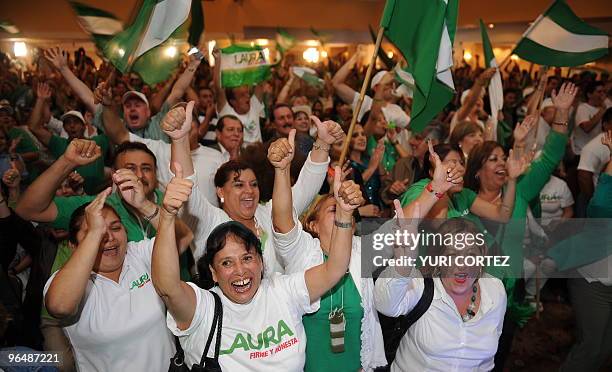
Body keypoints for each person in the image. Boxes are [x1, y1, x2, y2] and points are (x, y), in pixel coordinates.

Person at [151, 160, 363, 371]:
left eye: (247, 258)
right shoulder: (203, 308)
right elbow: (168, 288)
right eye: (227, 263)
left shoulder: (282, 291)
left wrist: (344, 214)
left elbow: (335, 269)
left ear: (261, 263)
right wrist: (168, 216)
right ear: (213, 273)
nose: (240, 270)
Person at [43, 176, 193, 371]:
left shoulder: (137, 254)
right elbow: (59, 306)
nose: (110, 238)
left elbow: (182, 238)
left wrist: (144, 205)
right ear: (74, 246)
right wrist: (96, 233)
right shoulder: (67, 281)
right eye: (95, 233)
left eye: (115, 228)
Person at [269, 129, 387, 371]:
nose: (343, 212)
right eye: (334, 209)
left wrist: (435, 188)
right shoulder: (301, 251)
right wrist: (282, 171)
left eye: (348, 212)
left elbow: (405, 229)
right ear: (312, 224)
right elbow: (282, 219)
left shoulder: (361, 251)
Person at [171, 114, 344, 274]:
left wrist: (323, 143)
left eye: (254, 184)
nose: (249, 191)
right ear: (220, 191)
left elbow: (306, 186)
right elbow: (187, 187)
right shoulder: (210, 220)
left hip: (280, 306)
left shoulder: (270, 213)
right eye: (239, 185)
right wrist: (179, 140)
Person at [375, 178, 506, 370]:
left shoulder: (495, 291)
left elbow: (486, 363)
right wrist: (403, 264)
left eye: (470, 254)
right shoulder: (422, 287)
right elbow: (385, 304)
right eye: (452, 255)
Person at [16, 139, 164, 242]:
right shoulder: (96, 208)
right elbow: (27, 209)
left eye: (146, 168)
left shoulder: (170, 201)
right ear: (114, 175)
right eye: (130, 168)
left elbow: (182, 240)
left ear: (155, 174)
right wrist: (67, 162)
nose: (139, 175)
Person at [560, 130, 612, 372]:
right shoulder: (605, 197)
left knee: (605, 348)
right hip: (593, 280)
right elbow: (600, 207)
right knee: (591, 346)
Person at [28, 82, 109, 194]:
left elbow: (113, 127)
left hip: (98, 198)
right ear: (64, 128)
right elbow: (33, 127)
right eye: (67, 123)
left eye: (76, 122)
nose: (72, 125)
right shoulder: (59, 144)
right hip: (69, 199)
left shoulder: (98, 141)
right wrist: (41, 100)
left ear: (84, 125)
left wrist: (105, 101)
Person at [212, 48, 266, 145]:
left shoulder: (254, 105)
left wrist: (260, 57)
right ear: (233, 101)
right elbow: (218, 88)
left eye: (247, 93)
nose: (247, 97)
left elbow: (260, 83)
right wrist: (218, 60)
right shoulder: (226, 111)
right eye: (242, 95)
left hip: (257, 156)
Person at [577, 107, 612, 202]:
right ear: (606, 125)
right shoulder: (593, 147)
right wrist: (594, 200)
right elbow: (584, 177)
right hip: (602, 201)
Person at [572, 81, 610, 156]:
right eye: (599, 92)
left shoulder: (605, 108)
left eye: (604, 92)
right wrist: (602, 110)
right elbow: (586, 128)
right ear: (589, 95)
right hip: (581, 152)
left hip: (597, 153)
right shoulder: (583, 108)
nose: (602, 94)